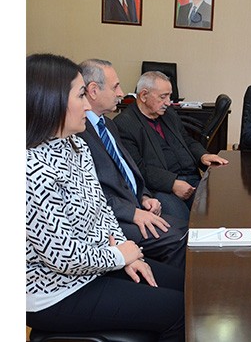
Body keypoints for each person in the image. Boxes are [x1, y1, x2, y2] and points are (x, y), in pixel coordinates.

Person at [26, 53, 184, 340]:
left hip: (95, 265)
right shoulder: (30, 169)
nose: (87, 105)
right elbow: (62, 257)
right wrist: (119, 255)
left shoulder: (75, 145)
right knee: (176, 310)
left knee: (185, 285)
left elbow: (100, 209)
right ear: (50, 102)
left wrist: (126, 250)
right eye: (80, 96)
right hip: (55, 291)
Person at [77, 59, 188, 269]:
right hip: (112, 218)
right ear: (93, 91)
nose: (121, 93)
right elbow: (91, 193)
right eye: (115, 87)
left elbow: (128, 169)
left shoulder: (107, 124)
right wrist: (133, 212)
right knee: (180, 238)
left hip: (135, 203)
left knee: (187, 229)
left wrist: (144, 196)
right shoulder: (78, 132)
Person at [114, 70, 228, 215]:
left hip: (192, 179)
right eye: (163, 97)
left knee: (220, 209)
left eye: (169, 96)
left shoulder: (168, 114)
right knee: (184, 222)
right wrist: (172, 184)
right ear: (143, 95)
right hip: (162, 188)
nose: (168, 102)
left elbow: (186, 140)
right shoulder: (125, 125)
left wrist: (203, 156)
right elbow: (137, 169)